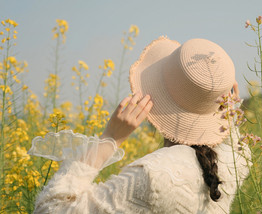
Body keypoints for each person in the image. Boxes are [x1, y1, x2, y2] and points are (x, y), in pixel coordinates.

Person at [28, 36, 250, 213]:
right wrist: (229, 115)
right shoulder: (238, 161)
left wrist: (109, 140)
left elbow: (50, 210)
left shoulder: (154, 174)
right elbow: (234, 141)